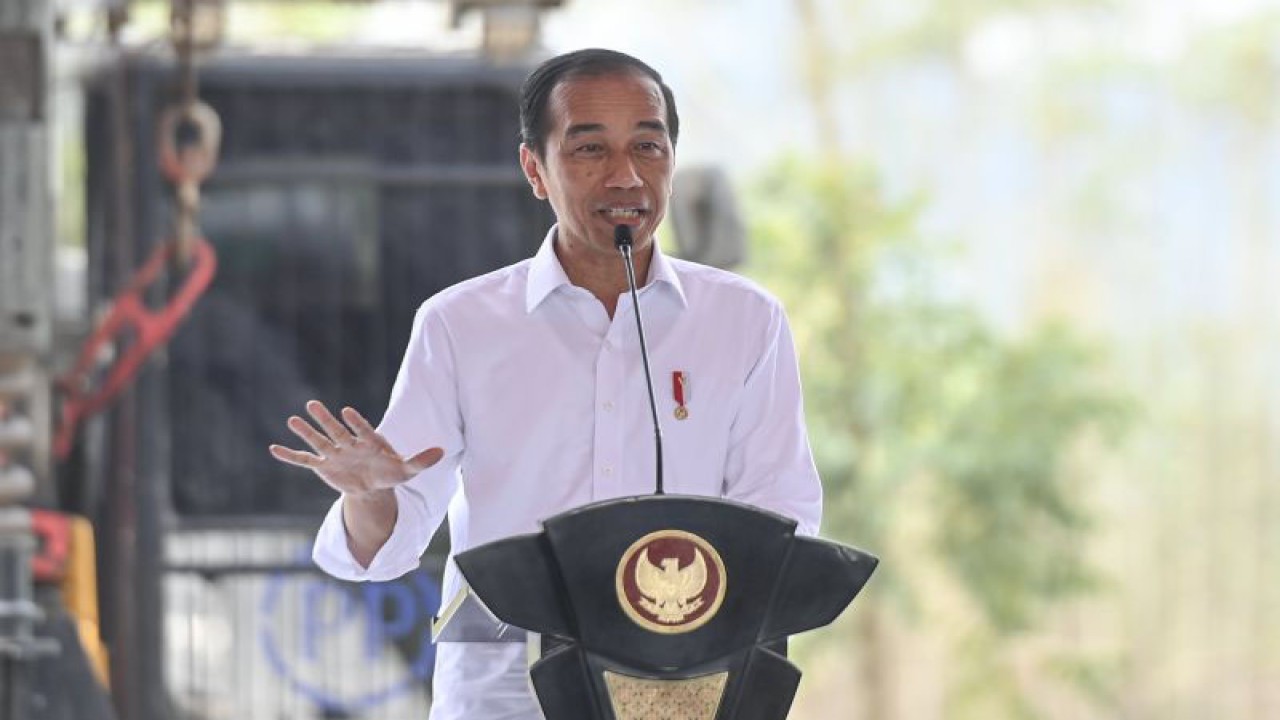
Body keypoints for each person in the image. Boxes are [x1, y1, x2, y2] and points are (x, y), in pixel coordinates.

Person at [269, 48, 822, 720]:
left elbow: (781, 518)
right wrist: (370, 497)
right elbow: (393, 538)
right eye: (590, 149)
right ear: (535, 169)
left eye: (648, 146)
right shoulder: (461, 325)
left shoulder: (744, 321)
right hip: (507, 695)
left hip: (683, 691)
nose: (625, 175)